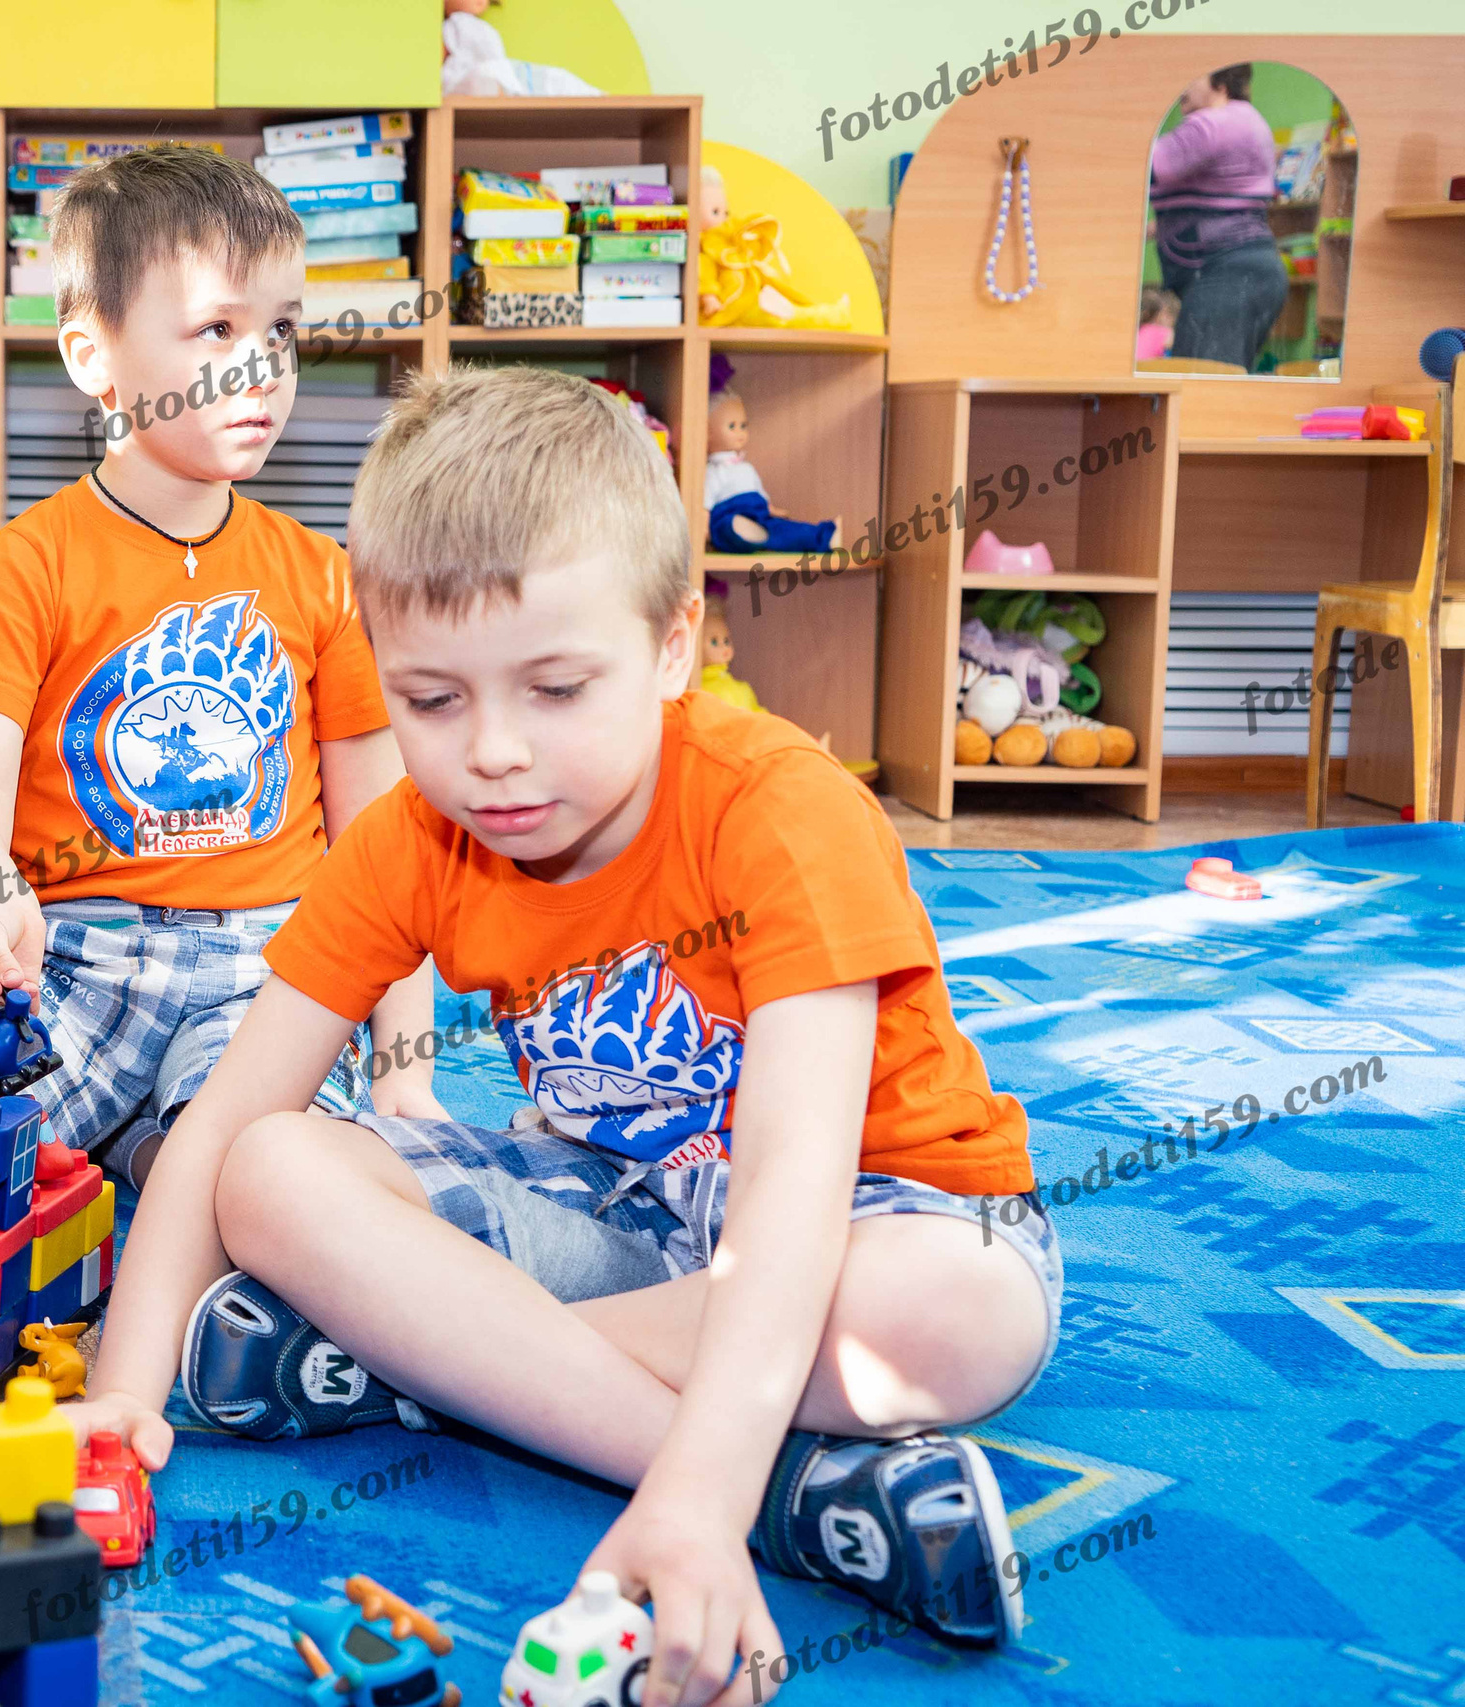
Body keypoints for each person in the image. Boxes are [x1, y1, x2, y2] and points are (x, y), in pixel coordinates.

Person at [67, 367, 1060, 1707]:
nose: (492, 754)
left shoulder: (783, 810)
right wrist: (126, 1396)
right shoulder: (411, 837)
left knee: (962, 1314)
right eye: (431, 700)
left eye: (554, 687)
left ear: (672, 644)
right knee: (269, 1170)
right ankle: (788, 1495)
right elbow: (231, 1119)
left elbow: (790, 1184)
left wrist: (671, 1482)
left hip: (872, 1213)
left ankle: (424, 1353)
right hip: (618, 1202)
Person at [0, 146, 443, 1188]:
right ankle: (131, 1148)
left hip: (270, 971)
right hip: (68, 960)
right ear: (93, 357)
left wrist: (402, 1066)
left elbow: (383, 841)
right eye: (217, 330)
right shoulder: (27, 566)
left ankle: (152, 1155)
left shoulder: (324, 578)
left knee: (269, 1180)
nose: (263, 367)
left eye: (281, 329)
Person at [1149, 64, 1287, 372]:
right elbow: (1224, 201)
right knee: (1214, 379)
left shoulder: (1214, 123)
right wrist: (1157, 229)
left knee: (1198, 381)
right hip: (1248, 272)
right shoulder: (1245, 120)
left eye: (1192, 76)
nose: (1181, 87)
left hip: (1228, 275)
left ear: (1221, 84)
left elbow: (1139, 166)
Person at [1136, 286, 1181, 363]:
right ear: (1165, 314)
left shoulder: (1141, 329)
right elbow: (1179, 343)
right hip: (1146, 367)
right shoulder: (1164, 332)